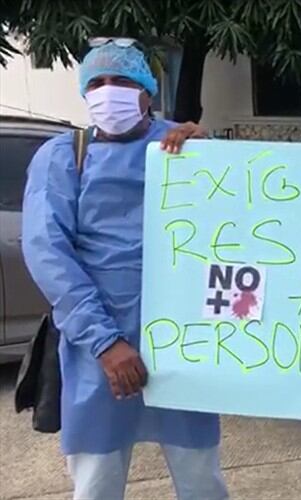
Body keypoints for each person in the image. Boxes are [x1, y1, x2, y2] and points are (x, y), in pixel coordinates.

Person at [21, 41, 226, 500]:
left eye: (123, 81)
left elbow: (230, 229)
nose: (108, 91)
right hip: (99, 351)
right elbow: (48, 255)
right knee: (96, 483)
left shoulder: (183, 146)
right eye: (96, 83)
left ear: (148, 92)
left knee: (201, 479)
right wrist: (106, 343)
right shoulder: (63, 157)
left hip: (182, 343)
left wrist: (212, 161)